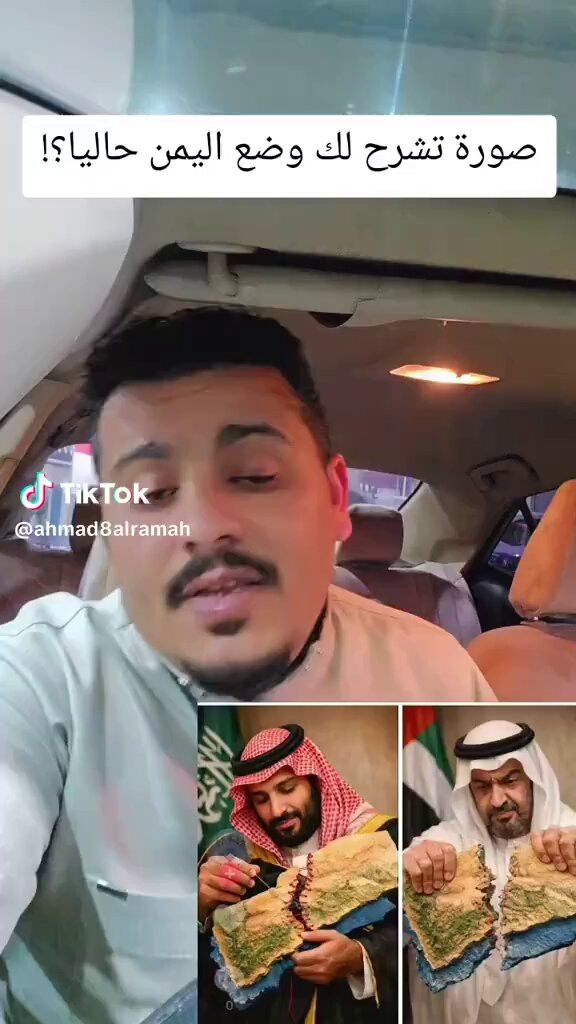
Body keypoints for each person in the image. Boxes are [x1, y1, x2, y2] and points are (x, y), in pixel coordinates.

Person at [0, 309, 491, 1023]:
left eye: (254, 476)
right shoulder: (40, 679)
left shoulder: (431, 673)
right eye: (152, 494)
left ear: (336, 500)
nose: (204, 527)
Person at [198, 724, 398, 1024]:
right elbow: (214, 981)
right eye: (261, 799)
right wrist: (200, 911)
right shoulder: (245, 865)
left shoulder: (381, 841)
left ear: (315, 781)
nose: (277, 810)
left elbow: (414, 935)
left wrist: (361, 957)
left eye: (287, 788)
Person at [403, 720, 576, 1024]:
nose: (498, 800)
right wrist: (411, 865)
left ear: (533, 779)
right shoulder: (448, 841)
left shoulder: (570, 837)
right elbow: (400, 880)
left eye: (510, 781)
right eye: (482, 787)